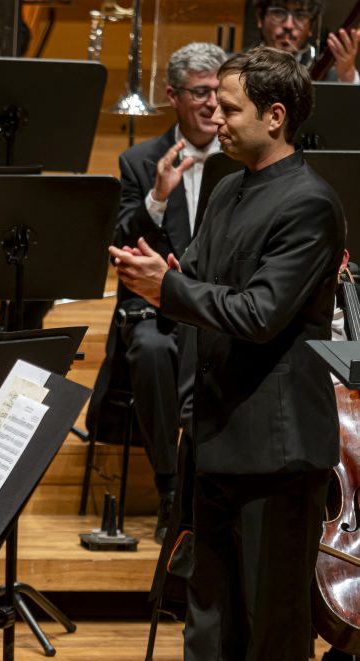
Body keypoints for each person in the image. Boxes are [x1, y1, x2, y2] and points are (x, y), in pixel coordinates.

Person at [110, 47, 345, 659]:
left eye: (231, 108)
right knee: (208, 624)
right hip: (215, 438)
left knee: (269, 627)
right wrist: (155, 276)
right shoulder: (226, 190)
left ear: (275, 116)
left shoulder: (309, 203)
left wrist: (173, 288)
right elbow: (192, 278)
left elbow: (260, 314)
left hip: (277, 452)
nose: (216, 117)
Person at [88, 42, 227, 543]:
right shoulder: (139, 160)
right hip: (152, 308)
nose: (212, 103)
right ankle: (172, 486)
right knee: (149, 349)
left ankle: (209, 481)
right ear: (173, 96)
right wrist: (158, 197)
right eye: (200, 92)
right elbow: (120, 240)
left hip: (214, 306)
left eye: (219, 91)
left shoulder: (239, 157)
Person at [255, 0, 359, 83]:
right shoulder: (239, 67)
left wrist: (347, 74)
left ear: (311, 26)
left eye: (300, 16)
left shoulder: (329, 74)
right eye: (278, 13)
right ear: (260, 17)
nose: (289, 25)